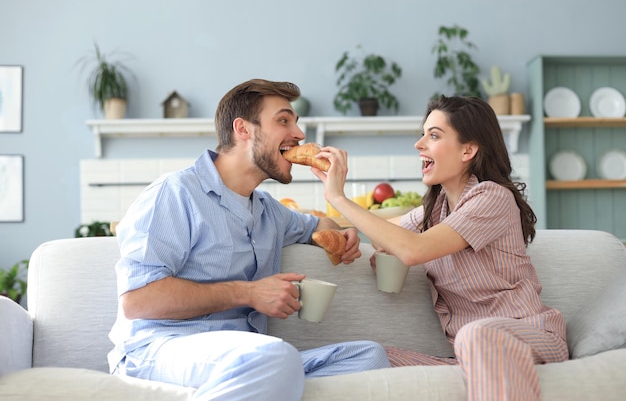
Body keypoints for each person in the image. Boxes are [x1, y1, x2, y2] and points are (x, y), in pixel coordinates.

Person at [107, 79, 390, 401]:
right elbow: (138, 300)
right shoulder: (175, 192)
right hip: (160, 349)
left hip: (246, 357)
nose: (299, 134)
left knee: (369, 358)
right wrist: (250, 293)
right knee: (274, 356)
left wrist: (338, 235)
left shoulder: (268, 210)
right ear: (243, 129)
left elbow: (318, 225)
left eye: (296, 122)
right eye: (284, 120)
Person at [313, 95, 569, 401]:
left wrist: (339, 197)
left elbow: (412, 250)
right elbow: (385, 235)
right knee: (368, 355)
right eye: (423, 134)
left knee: (477, 334)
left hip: (531, 336)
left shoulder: (492, 198)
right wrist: (333, 216)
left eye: (433, 135)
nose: (419, 144)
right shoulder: (436, 211)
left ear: (468, 150)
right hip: (469, 352)